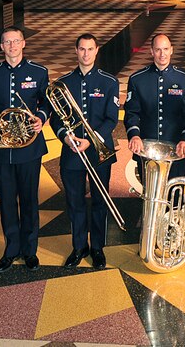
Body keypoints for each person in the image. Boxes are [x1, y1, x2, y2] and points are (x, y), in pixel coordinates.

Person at [0, 27, 49, 273]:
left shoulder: (39, 71)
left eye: (16, 41)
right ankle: (10, 249)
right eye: (7, 42)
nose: (12, 46)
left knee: (29, 200)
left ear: (24, 43)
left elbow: (47, 102)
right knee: (6, 201)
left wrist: (41, 117)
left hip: (30, 149)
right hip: (1, 149)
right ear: (1, 46)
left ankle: (30, 251)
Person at [51, 33, 120, 269]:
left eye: (90, 49)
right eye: (82, 49)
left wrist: (91, 140)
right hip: (72, 152)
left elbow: (112, 119)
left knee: (100, 201)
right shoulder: (62, 83)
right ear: (76, 50)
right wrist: (66, 137)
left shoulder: (109, 82)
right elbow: (55, 120)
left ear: (97, 50)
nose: (86, 54)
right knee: (75, 201)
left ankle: (97, 248)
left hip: (98, 150)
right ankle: (79, 246)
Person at [125, 33, 185, 186]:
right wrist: (135, 135)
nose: (162, 54)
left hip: (176, 149)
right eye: (158, 50)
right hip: (147, 150)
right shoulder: (137, 79)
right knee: (150, 196)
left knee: (175, 196)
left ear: (172, 50)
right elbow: (132, 112)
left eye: (165, 49)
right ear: (151, 51)